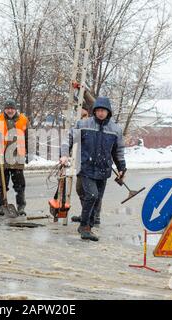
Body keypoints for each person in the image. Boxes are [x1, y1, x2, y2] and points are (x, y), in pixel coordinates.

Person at [61, 97, 126, 241]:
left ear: (108, 112)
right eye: (98, 110)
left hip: (103, 170)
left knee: (97, 200)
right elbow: (68, 139)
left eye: (104, 111)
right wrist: (65, 155)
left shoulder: (115, 129)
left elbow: (118, 151)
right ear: (94, 111)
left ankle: (89, 225)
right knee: (91, 195)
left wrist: (121, 167)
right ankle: (84, 227)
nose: (101, 113)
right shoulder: (83, 124)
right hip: (86, 167)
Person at [0, 99, 30, 216]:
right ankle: (2, 206)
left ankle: (21, 207)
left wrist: (28, 152)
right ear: (4, 109)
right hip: (1, 157)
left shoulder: (23, 119)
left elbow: (29, 137)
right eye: (7, 108)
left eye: (12, 108)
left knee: (19, 185)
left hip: (18, 157)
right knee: (1, 185)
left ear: (15, 109)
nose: (10, 110)